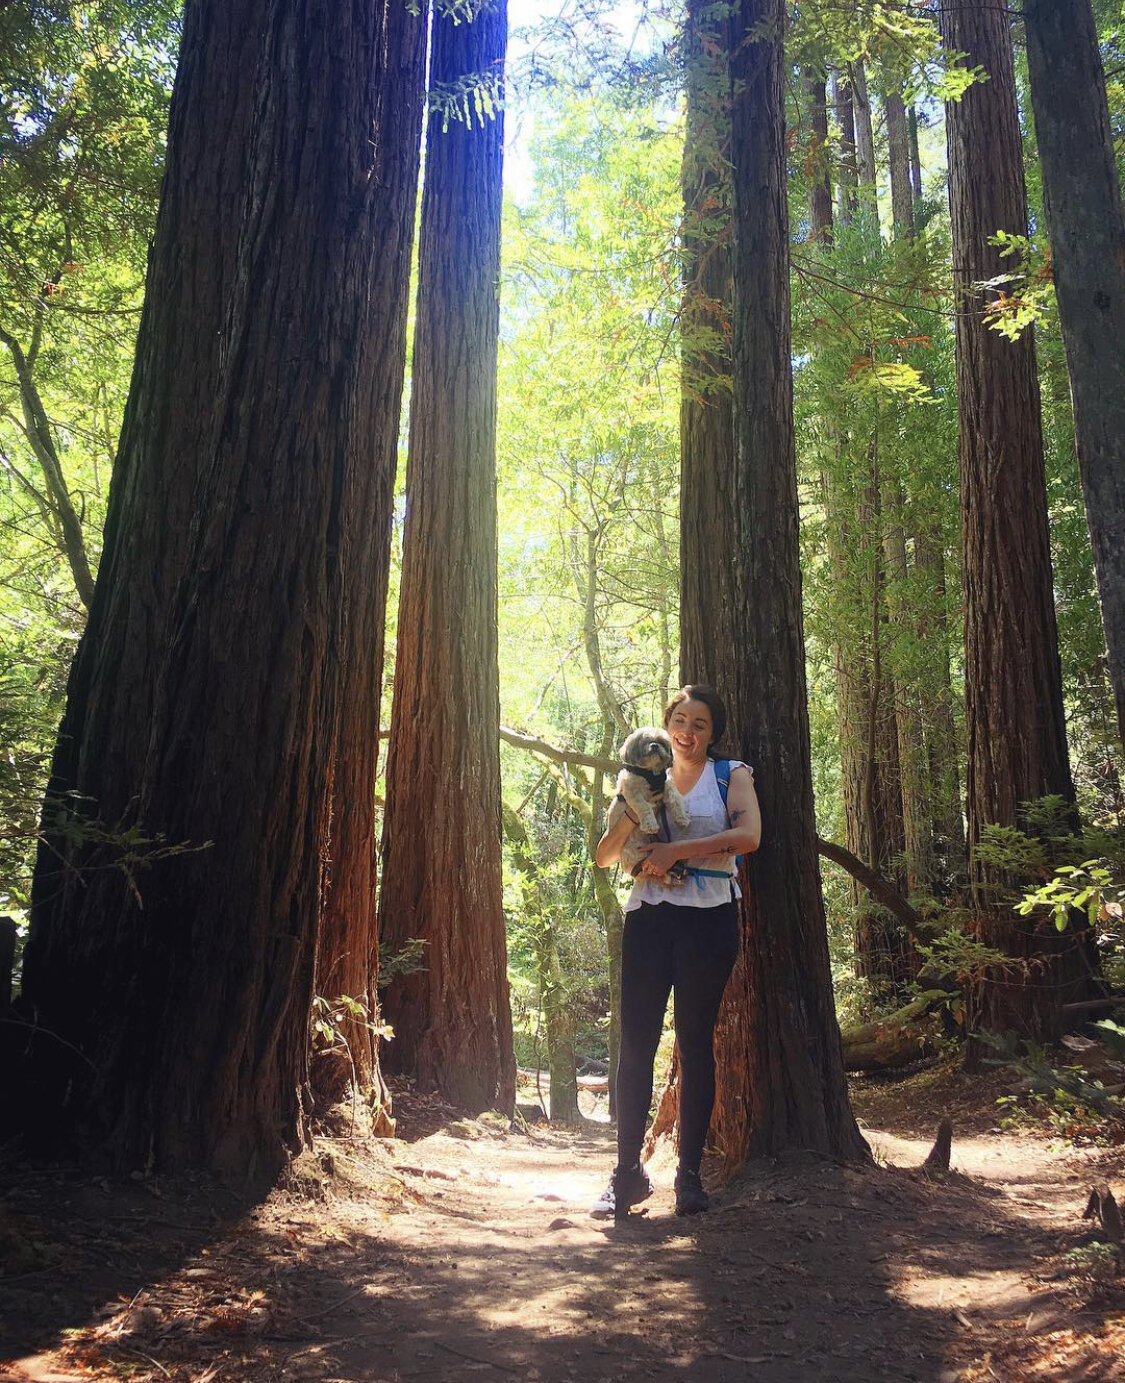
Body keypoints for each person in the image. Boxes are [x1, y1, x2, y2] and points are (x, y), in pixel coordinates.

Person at [591, 684, 761, 1219]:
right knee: (635, 1047)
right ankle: (625, 1175)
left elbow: (750, 836)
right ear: (666, 727)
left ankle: (688, 1177)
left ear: (714, 734)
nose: (688, 733)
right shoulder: (640, 778)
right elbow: (603, 856)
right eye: (679, 721)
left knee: (695, 1044)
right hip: (649, 919)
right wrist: (633, 812)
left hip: (709, 919)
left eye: (700, 724)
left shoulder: (729, 775)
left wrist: (676, 850)